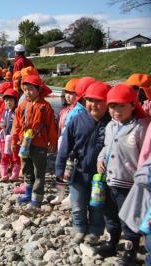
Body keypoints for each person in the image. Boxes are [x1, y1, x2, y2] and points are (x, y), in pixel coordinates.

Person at [95, 84, 150, 264]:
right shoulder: (111, 125)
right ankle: (111, 242)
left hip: (129, 182)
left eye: (121, 106)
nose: (115, 111)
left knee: (128, 217)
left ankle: (130, 250)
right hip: (110, 179)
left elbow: (146, 155)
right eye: (112, 106)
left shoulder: (141, 127)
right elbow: (106, 147)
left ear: (133, 105)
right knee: (109, 213)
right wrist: (100, 158)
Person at [55, 81, 111, 244]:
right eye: (90, 100)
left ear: (107, 102)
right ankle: (79, 229)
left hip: (100, 176)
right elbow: (65, 147)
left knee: (97, 205)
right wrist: (60, 169)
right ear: (84, 101)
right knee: (78, 204)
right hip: (77, 171)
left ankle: (95, 231)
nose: (94, 105)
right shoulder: (77, 120)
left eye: (99, 101)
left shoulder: (111, 123)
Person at [11, 75, 57, 208]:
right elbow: (16, 125)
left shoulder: (45, 106)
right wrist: (14, 141)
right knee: (26, 169)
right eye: (25, 89)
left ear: (38, 90)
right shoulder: (22, 105)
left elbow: (51, 127)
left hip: (40, 144)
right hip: (24, 143)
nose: (27, 92)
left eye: (30, 89)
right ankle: (28, 192)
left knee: (39, 171)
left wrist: (53, 142)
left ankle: (37, 198)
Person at [51, 78, 79, 205]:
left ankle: (70, 193)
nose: (68, 96)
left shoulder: (79, 111)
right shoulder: (63, 110)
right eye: (66, 93)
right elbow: (58, 126)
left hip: (72, 144)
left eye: (71, 93)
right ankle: (60, 194)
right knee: (60, 166)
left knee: (71, 168)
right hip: (61, 141)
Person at [0, 88, 21, 182]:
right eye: (6, 100)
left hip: (14, 139)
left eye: (11, 100)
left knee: (15, 156)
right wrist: (0, 124)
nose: (8, 102)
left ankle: (15, 174)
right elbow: (2, 122)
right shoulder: (4, 112)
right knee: (4, 156)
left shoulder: (17, 112)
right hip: (4, 137)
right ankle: (4, 175)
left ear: (15, 101)